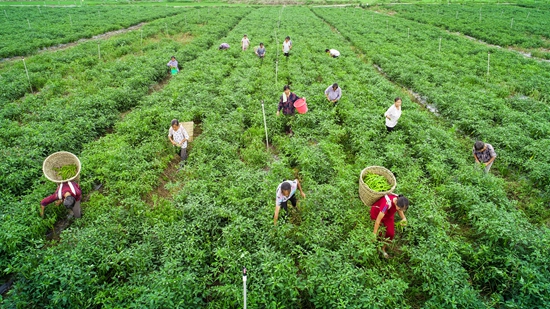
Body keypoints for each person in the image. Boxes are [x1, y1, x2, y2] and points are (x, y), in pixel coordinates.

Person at [371, 194, 409, 258]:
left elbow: (400, 210)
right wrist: (374, 233)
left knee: (390, 233)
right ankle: (376, 247)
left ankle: (383, 249)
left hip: (388, 215)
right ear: (396, 203)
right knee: (379, 233)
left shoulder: (399, 200)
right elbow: (378, 220)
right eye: (400, 209)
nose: (401, 211)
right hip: (377, 214)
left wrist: (404, 218)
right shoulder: (386, 205)